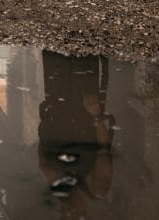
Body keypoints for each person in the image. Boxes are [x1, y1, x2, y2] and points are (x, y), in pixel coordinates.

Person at [37, 51, 115, 216]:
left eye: (63, 216)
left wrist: (48, 172)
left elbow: (43, 161)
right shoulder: (97, 188)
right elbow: (104, 149)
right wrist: (96, 117)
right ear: (83, 214)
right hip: (84, 113)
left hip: (58, 110)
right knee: (83, 52)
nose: (65, 212)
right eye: (70, 216)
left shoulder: (61, 188)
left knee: (53, 53)